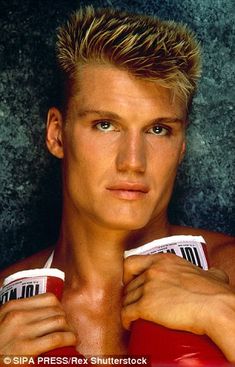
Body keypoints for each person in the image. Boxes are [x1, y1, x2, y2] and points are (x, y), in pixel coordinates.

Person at [0, 5, 235, 361]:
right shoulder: (6, 311)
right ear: (56, 134)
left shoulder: (227, 271)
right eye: (105, 125)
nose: (133, 161)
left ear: (181, 145)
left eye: (159, 130)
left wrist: (223, 313)